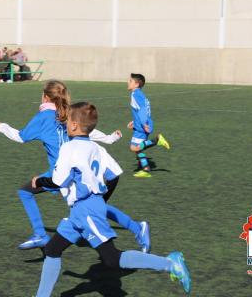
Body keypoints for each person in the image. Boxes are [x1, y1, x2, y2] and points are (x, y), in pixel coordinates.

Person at [31, 102, 191, 297]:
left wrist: (39, 180)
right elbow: (114, 175)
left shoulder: (69, 148)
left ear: (73, 125)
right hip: (83, 211)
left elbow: (58, 181)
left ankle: (170, 264)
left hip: (85, 210)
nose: (65, 125)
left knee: (112, 259)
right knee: (52, 249)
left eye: (68, 122)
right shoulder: (97, 148)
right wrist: (100, 200)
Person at [0, 80, 150, 252]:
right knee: (92, 206)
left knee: (31, 193)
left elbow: (21, 136)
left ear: (45, 97)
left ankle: (41, 234)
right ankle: (137, 227)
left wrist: (2, 127)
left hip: (62, 174)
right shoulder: (69, 111)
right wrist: (108, 138)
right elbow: (86, 129)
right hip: (72, 170)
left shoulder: (43, 117)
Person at [128, 74, 171, 178]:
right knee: (138, 150)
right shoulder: (140, 94)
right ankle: (146, 169)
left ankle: (156, 140)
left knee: (134, 148)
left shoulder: (135, 94)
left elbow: (142, 110)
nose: (128, 83)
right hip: (142, 124)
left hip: (142, 127)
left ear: (136, 84)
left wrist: (143, 123)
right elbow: (141, 109)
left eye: (130, 81)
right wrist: (135, 121)